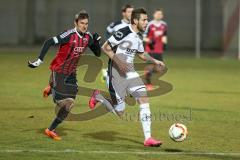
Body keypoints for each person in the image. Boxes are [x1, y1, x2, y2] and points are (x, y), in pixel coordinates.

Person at [89, 8, 165, 147]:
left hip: (130, 72)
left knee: (143, 98)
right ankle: (99, 96)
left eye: (147, 19)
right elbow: (105, 47)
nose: (147, 22)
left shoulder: (138, 37)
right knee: (120, 112)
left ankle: (148, 138)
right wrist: (119, 62)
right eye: (144, 20)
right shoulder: (123, 31)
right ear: (135, 21)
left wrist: (155, 61)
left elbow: (142, 54)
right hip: (116, 73)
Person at [28, 10, 101, 140]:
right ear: (76, 23)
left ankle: (50, 127)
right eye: (82, 23)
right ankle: (52, 90)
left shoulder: (88, 37)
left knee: (70, 104)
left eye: (86, 23)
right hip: (59, 71)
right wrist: (39, 60)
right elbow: (49, 42)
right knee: (63, 103)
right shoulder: (69, 34)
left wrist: (96, 42)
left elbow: (97, 53)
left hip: (72, 73)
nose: (84, 26)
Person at [101, 4, 134, 82]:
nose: (131, 14)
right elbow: (107, 32)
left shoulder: (133, 26)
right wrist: (111, 45)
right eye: (129, 12)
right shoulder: (116, 24)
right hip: (116, 52)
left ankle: (106, 74)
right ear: (123, 13)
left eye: (132, 12)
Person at [143, 9, 168, 90]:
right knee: (150, 66)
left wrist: (164, 43)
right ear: (154, 15)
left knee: (160, 69)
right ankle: (148, 84)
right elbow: (143, 36)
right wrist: (149, 41)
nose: (158, 15)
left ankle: (147, 73)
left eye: (160, 14)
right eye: (157, 14)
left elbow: (164, 35)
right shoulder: (149, 24)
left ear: (162, 16)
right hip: (150, 49)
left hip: (159, 49)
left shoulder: (164, 25)